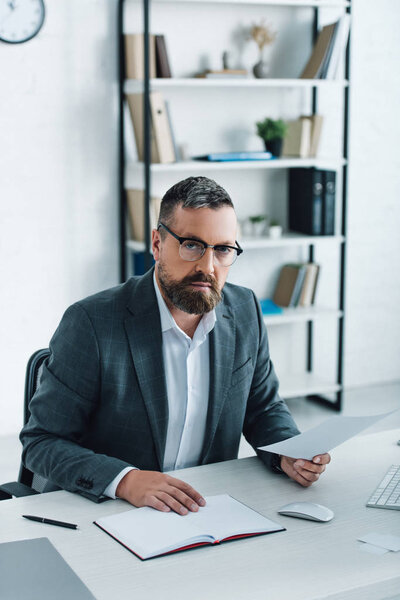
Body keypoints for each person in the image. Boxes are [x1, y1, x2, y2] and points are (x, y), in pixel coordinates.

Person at [20, 176, 330, 515]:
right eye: (192, 245)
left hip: (203, 509)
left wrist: (289, 450)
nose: (207, 267)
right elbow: (42, 442)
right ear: (156, 244)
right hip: (109, 510)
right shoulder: (92, 322)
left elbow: (263, 408)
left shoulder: (244, 311)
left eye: (223, 250)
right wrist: (126, 480)